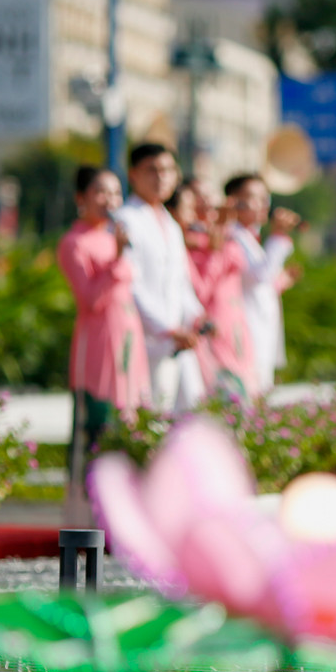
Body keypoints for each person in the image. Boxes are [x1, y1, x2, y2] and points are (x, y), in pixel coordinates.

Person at [57, 166, 151, 458]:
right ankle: (87, 493)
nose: (109, 200)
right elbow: (89, 299)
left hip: (127, 333)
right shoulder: (74, 243)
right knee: (98, 421)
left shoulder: (115, 237)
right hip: (98, 339)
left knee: (131, 415)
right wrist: (117, 259)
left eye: (115, 192)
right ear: (81, 197)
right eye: (100, 192)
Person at [114, 144, 206, 412]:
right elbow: (131, 284)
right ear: (133, 175)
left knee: (191, 413)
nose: (161, 177)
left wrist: (198, 316)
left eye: (167, 170)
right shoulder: (126, 219)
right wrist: (166, 327)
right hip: (148, 338)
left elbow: (180, 283)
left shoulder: (169, 223)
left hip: (178, 339)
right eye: (152, 170)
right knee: (152, 416)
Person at [169, 180, 255, 401]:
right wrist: (216, 250)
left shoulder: (219, 235)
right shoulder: (189, 243)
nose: (207, 202)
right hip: (208, 331)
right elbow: (200, 292)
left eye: (210, 195)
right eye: (199, 196)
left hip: (234, 327)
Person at [224, 174, 301, 393]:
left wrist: (281, 280)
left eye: (264, 198)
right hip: (245, 327)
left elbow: (262, 280)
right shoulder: (231, 236)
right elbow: (259, 276)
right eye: (253, 197)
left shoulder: (249, 238)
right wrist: (278, 236)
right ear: (232, 201)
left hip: (260, 325)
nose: (263, 205)